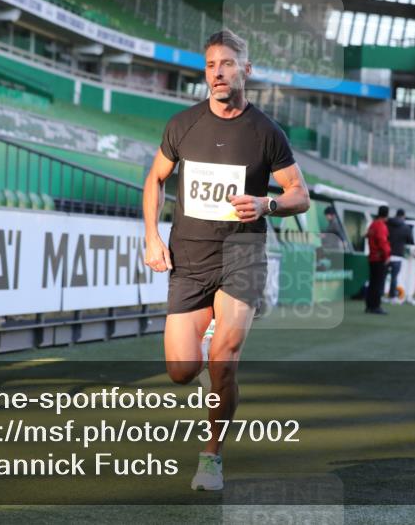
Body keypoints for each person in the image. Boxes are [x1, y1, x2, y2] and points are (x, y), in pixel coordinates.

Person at [143, 28, 310, 491]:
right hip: (190, 257)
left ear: (246, 70)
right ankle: (211, 335)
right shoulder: (182, 125)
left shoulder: (266, 133)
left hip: (243, 253)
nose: (218, 73)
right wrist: (151, 237)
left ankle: (211, 457)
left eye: (228, 64)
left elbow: (300, 195)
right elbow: (155, 179)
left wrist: (266, 204)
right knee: (181, 370)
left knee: (224, 360)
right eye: (211, 66)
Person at [365, 206, 391, 314]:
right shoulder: (381, 226)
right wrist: (387, 256)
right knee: (379, 283)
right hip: (380, 258)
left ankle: (369, 306)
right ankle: (376, 306)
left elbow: (367, 236)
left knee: (372, 283)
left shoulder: (372, 224)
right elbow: (382, 242)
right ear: (387, 215)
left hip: (372, 257)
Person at [385, 209, 414, 302]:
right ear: (403, 216)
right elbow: (411, 241)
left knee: (382, 276)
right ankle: (392, 297)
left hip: (385, 254)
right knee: (394, 277)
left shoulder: (387, 223)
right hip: (397, 255)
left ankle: (379, 295)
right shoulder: (406, 227)